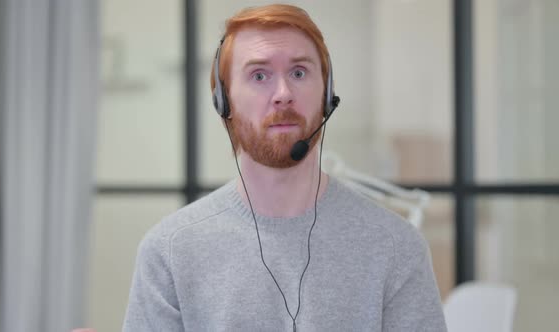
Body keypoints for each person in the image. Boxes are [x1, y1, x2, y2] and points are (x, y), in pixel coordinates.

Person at [123, 4, 447, 332]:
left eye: (299, 72)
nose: (283, 94)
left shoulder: (396, 247)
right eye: (259, 75)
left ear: (326, 93)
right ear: (224, 100)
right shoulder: (169, 251)